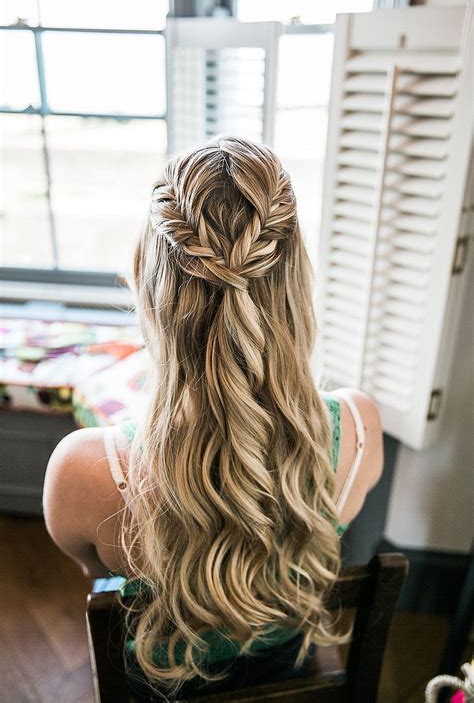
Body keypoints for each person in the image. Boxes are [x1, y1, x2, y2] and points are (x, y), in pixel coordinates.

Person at [43, 136, 383, 699]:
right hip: (289, 665)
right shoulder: (362, 428)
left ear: (149, 283)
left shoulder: (82, 469)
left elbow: (88, 565)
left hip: (159, 680)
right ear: (297, 279)